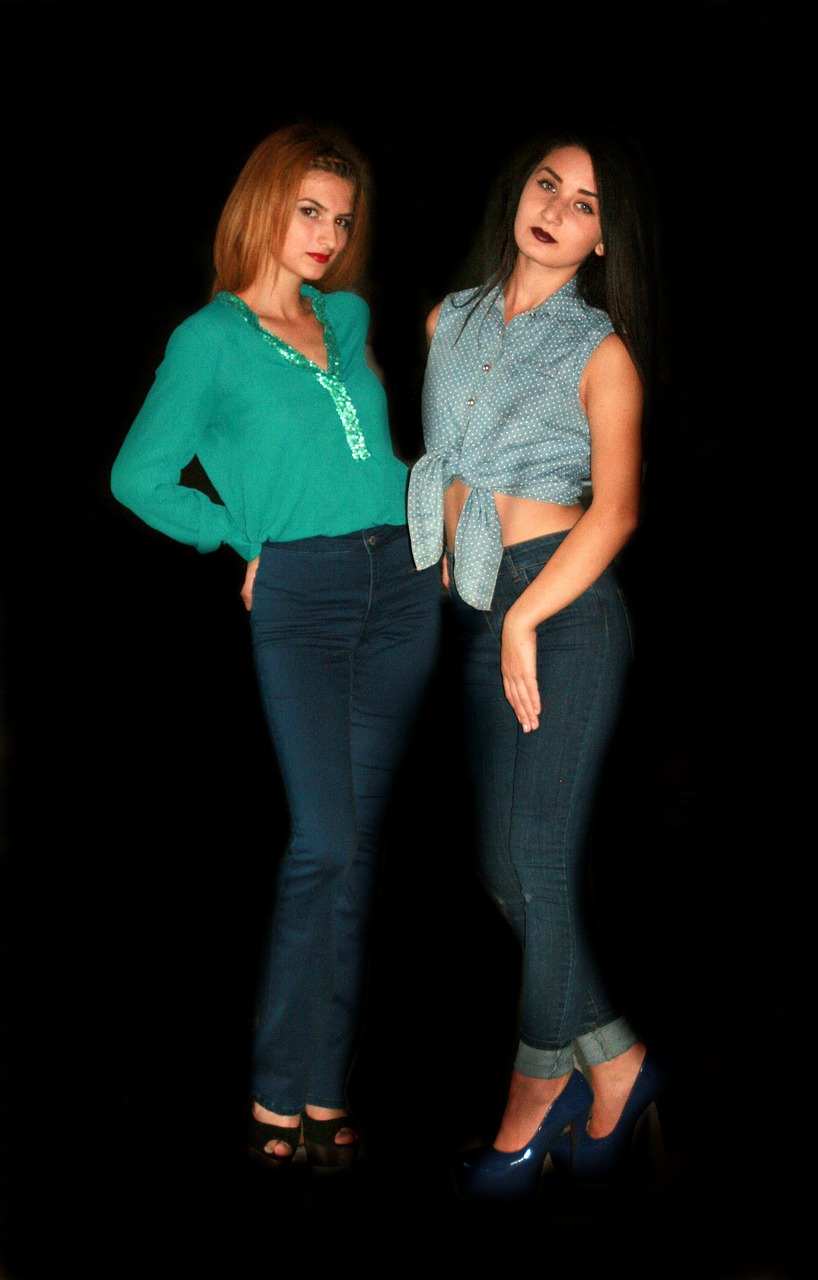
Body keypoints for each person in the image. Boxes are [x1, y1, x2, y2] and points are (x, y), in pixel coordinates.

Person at [111, 122, 442, 1173]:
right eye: (308, 211)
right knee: (324, 841)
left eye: (340, 219)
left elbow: (372, 454)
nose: (328, 235)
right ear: (262, 205)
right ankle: (272, 1086)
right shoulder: (207, 340)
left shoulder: (345, 317)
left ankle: (322, 1088)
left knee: (358, 850)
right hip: (303, 595)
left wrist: (433, 527)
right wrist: (244, 537)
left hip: (404, 584)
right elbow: (137, 476)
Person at [407, 126, 667, 1201]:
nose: (556, 208)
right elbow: (438, 469)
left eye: (585, 203)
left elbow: (617, 512)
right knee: (501, 866)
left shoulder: (602, 352)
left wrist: (523, 617)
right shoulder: (446, 320)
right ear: (518, 192)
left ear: (605, 239)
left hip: (562, 615)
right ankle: (620, 1062)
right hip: (479, 609)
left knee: (538, 861)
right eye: (548, 185)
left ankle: (532, 1100)